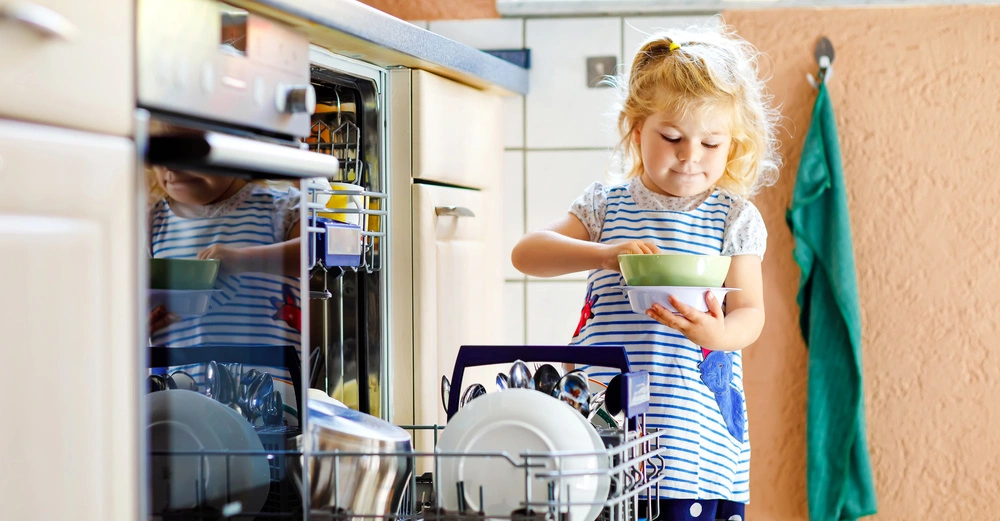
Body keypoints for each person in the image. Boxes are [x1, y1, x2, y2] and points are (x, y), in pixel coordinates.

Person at [511, 23, 780, 521]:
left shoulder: (733, 217)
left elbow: (752, 313)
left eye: (711, 144)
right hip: (603, 428)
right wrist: (603, 253)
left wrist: (717, 333)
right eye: (672, 136)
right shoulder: (606, 206)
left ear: (733, 144)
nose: (690, 156)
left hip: (692, 436)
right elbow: (526, 253)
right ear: (637, 131)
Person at [147, 166, 303, 422]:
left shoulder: (280, 207)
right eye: (160, 157)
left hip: (268, 404)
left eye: (186, 153)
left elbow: (315, 252)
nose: (171, 168)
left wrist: (244, 260)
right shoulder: (152, 221)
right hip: (182, 407)